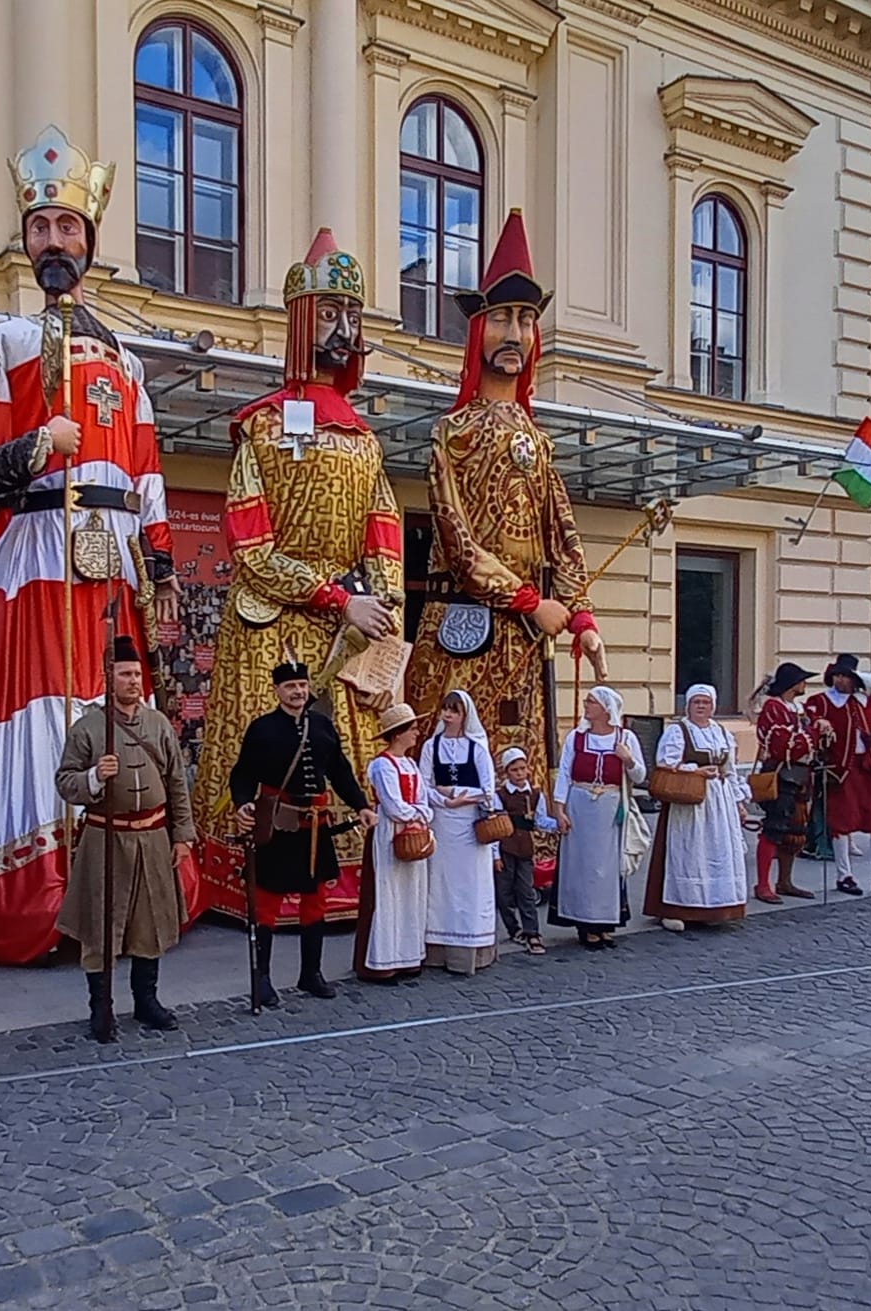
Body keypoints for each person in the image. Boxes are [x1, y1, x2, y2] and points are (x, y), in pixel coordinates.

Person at [0, 124, 179, 966]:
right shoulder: (2, 345)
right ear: (26, 234)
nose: (55, 241)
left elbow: (149, 474)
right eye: (42, 227)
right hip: (39, 552)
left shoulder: (130, 363)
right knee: (39, 712)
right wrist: (34, 448)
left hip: (110, 555)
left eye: (69, 228)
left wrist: (159, 563)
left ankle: (123, 888)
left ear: (89, 239)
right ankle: (38, 898)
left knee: (113, 706)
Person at [190, 229, 405, 924]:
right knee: (268, 749)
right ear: (302, 321)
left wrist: (384, 603)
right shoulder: (261, 430)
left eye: (353, 315)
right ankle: (250, 875)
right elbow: (251, 543)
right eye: (330, 314)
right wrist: (338, 597)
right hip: (276, 620)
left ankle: (334, 880)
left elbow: (384, 529)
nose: (344, 330)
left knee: (341, 754)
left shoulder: (365, 440)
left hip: (351, 623)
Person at [403, 211, 606, 783]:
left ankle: (520, 866)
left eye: (526, 320)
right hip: (463, 628)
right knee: (458, 758)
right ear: (478, 331)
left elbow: (562, 534)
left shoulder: (537, 441)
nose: (514, 334)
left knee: (522, 765)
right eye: (501, 319)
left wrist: (581, 614)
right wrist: (528, 602)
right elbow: (458, 543)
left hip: (525, 639)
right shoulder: (453, 432)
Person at [55, 637, 197, 1042]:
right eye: (125, 674)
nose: (133, 680)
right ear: (108, 677)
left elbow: (175, 783)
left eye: (137, 674)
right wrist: (95, 777)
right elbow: (65, 782)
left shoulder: (158, 725)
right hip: (106, 838)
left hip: (153, 837)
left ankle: (146, 1002)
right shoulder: (87, 730)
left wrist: (182, 834)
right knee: (103, 926)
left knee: (149, 922)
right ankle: (101, 1009)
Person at [229, 656, 377, 1007]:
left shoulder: (322, 726)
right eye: (290, 687)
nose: (298, 692)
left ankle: (311, 974)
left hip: (316, 828)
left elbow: (340, 772)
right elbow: (243, 773)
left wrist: (362, 806)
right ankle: (261, 978)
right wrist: (242, 804)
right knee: (268, 901)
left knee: (315, 901)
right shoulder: (262, 729)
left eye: (302, 686)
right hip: (279, 825)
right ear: (277, 690)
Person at [644, 685, 750, 932]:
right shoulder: (678, 731)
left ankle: (714, 906)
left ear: (712, 706)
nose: (701, 706)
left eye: (706, 702)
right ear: (688, 706)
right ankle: (675, 909)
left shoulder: (721, 732)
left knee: (716, 852)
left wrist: (738, 803)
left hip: (718, 802)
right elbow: (665, 762)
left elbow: (730, 771)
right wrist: (696, 770)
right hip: (689, 801)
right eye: (696, 702)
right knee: (688, 853)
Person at [549, 686, 645, 949]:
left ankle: (605, 922)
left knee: (606, 868)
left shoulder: (626, 738)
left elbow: (640, 776)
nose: (586, 705)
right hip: (580, 805)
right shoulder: (576, 738)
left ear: (605, 708)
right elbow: (565, 774)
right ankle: (585, 923)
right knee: (582, 866)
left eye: (591, 701)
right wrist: (559, 809)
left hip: (611, 808)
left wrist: (628, 760)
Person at [808, 653, 871, 898]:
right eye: (838, 676)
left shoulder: (868, 701)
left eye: (846, 676)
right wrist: (819, 726)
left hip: (867, 767)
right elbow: (810, 726)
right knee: (841, 824)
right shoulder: (820, 701)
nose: (841, 681)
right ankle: (844, 875)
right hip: (840, 770)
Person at [419, 691, 502, 975]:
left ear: (465, 715)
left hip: (468, 827)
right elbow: (424, 786)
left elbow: (488, 791)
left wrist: (454, 793)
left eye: (453, 711)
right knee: (440, 885)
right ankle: (437, 950)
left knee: (470, 885)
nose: (448, 715)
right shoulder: (432, 746)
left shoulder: (477, 747)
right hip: (442, 823)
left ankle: (469, 952)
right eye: (445, 710)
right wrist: (444, 800)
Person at [356, 703, 435, 983]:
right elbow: (393, 805)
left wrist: (421, 814)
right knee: (389, 894)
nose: (416, 733)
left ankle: (409, 957)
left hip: (414, 831)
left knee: (412, 892)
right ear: (398, 733)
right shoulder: (382, 765)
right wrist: (417, 814)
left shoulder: (410, 764)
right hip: (390, 833)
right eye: (412, 728)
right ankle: (383, 960)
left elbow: (424, 798)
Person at [751, 662, 820, 903]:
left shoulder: (798, 709)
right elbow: (783, 746)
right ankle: (762, 884)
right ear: (792, 684)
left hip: (800, 775)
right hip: (782, 775)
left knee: (795, 832)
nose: (805, 684)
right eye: (802, 680)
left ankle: (784, 881)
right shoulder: (773, 708)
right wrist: (813, 733)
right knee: (774, 828)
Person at [494, 746, 557, 955]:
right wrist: (495, 855)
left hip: (525, 849)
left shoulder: (535, 794)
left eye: (522, 769)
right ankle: (513, 928)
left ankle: (532, 932)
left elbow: (540, 821)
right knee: (503, 893)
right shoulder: (500, 796)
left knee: (526, 891)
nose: (520, 774)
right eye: (514, 770)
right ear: (506, 772)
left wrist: (558, 825)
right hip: (505, 848)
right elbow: (495, 825)